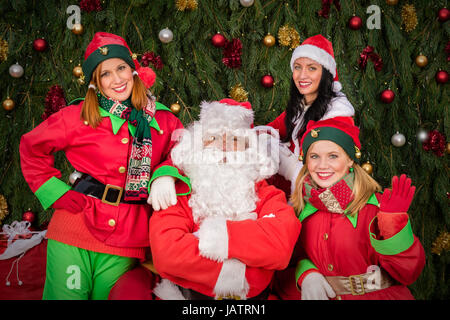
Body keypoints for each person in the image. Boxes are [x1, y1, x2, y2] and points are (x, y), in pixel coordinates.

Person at [19, 32, 190, 300]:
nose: (117, 79)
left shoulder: (165, 120)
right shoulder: (76, 117)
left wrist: (164, 175)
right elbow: (32, 147)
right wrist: (56, 192)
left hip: (128, 236)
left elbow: (185, 152)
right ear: (95, 83)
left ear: (133, 71)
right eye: (105, 74)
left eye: (121, 68)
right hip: (75, 228)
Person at [108, 98, 301, 300]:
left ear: (250, 149)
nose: (224, 146)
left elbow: (280, 248)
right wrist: (247, 264)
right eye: (214, 138)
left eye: (235, 139)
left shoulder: (267, 194)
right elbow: (167, 255)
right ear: (197, 145)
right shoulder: (182, 192)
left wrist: (218, 238)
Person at [290, 116, 425, 300]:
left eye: (333, 156)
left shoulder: (376, 206)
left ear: (350, 160)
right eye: (314, 156)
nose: (322, 165)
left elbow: (409, 273)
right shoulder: (304, 210)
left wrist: (393, 227)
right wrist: (307, 275)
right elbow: (295, 260)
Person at [265, 34, 355, 197]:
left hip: (317, 199)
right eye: (298, 67)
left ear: (326, 74)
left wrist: (283, 160)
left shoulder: (338, 115)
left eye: (311, 68)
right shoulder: (301, 106)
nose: (302, 75)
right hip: (288, 192)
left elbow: (324, 174)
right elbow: (269, 130)